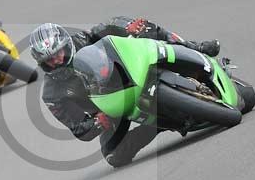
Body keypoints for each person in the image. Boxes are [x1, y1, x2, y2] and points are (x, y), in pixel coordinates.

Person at [29, 17, 221, 167]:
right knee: (114, 156)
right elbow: (78, 127)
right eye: (49, 59)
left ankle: (195, 48)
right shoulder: (52, 94)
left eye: (58, 53)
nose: (56, 60)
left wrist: (127, 26)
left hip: (127, 72)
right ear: (41, 63)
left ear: (66, 44)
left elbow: (108, 25)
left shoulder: (83, 40)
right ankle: (158, 125)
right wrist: (96, 123)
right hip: (111, 108)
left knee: (144, 27)